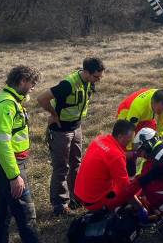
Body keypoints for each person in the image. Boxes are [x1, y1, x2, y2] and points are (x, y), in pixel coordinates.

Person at [36, 57, 105, 216]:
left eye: (100, 77)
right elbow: (42, 98)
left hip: (76, 127)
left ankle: (75, 198)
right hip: (61, 130)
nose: (98, 80)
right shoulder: (67, 84)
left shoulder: (89, 81)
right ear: (86, 72)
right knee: (61, 167)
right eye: (96, 77)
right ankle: (60, 205)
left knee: (76, 164)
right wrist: (54, 115)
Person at [0, 65, 41, 242]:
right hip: (8, 165)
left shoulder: (7, 99)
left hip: (5, 164)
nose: (34, 87)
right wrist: (14, 175)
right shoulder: (6, 106)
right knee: (26, 214)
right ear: (22, 80)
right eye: (32, 83)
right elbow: (3, 144)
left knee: (4, 210)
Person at [73, 120, 141, 212]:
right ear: (120, 137)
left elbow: (109, 155)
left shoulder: (100, 139)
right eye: (129, 140)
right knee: (136, 190)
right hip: (94, 201)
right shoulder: (116, 157)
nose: (130, 143)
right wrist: (140, 208)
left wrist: (133, 154)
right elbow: (126, 190)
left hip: (79, 193)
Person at [116, 88, 163, 175]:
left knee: (152, 141)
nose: (160, 113)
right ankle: (128, 172)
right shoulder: (138, 107)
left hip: (147, 116)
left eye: (162, 110)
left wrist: (158, 136)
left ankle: (147, 169)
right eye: (158, 110)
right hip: (127, 111)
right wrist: (132, 150)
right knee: (126, 145)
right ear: (153, 103)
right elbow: (129, 130)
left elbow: (162, 121)